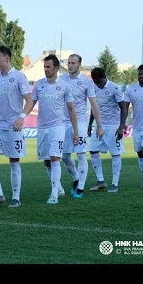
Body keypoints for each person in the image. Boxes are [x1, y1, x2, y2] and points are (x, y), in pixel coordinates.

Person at [0, 45, 33, 208]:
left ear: (7, 58)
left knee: (14, 160)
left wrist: (22, 117)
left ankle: (16, 197)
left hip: (14, 126)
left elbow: (29, 100)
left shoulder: (19, 77)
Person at [32, 54, 78, 204]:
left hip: (58, 127)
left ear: (56, 68)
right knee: (46, 161)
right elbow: (31, 103)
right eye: (44, 67)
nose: (45, 69)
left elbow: (71, 109)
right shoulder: (39, 84)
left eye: (48, 67)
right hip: (42, 128)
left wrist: (76, 132)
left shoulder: (65, 86)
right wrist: (21, 116)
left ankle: (53, 195)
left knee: (55, 158)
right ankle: (59, 188)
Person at [59, 54, 103, 199]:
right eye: (68, 63)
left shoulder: (86, 82)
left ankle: (81, 188)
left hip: (81, 122)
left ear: (79, 65)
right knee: (65, 156)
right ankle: (77, 178)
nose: (70, 65)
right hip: (64, 122)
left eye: (73, 63)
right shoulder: (61, 80)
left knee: (81, 154)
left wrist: (99, 125)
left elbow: (94, 105)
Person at [88, 67, 128, 193]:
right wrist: (90, 125)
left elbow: (123, 108)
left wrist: (121, 127)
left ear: (104, 77)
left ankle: (114, 184)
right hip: (99, 125)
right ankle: (101, 181)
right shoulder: (93, 88)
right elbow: (94, 108)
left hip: (113, 126)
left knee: (115, 154)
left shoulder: (114, 88)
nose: (98, 84)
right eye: (95, 82)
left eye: (99, 81)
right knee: (93, 151)